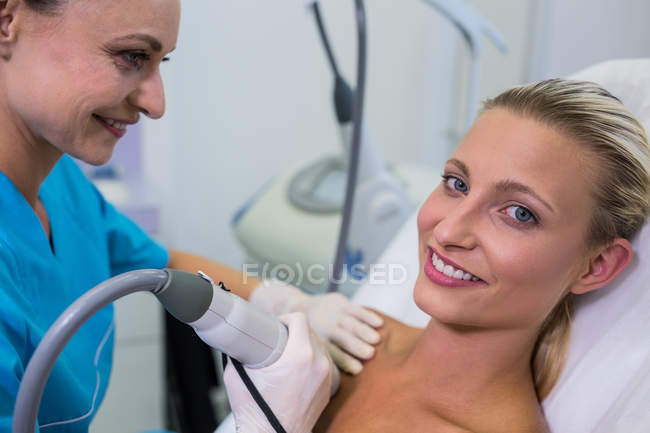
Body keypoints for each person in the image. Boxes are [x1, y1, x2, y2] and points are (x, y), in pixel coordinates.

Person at [0, 0, 383, 431]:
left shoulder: (60, 186)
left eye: (160, 62)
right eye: (132, 56)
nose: (156, 103)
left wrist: (286, 304)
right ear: (8, 20)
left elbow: (163, 265)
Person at [313, 79, 650, 432]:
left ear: (597, 265)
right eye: (457, 184)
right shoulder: (356, 332)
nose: (446, 231)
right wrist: (280, 300)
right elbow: (248, 294)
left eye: (520, 213)